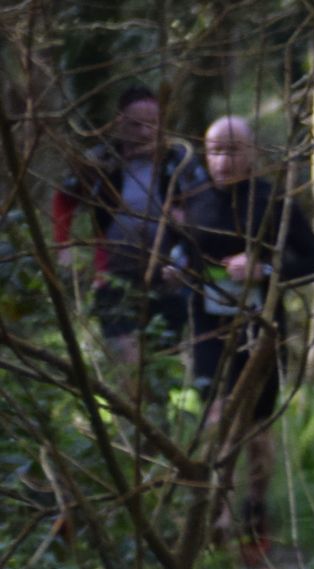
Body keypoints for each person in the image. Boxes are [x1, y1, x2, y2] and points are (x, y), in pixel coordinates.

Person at [177, 118, 314, 562]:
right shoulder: (192, 199)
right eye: (214, 151)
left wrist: (263, 269)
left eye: (233, 150)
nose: (223, 161)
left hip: (261, 331)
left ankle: (255, 511)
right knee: (217, 419)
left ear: (253, 153)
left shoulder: (273, 202)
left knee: (257, 430)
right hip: (209, 329)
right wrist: (173, 269)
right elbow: (179, 252)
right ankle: (217, 515)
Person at [49, 85, 205, 385]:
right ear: (119, 122)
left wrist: (188, 225)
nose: (145, 133)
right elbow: (63, 198)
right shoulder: (99, 161)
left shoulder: (179, 160)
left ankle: (156, 413)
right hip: (113, 276)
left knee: (161, 364)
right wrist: (64, 246)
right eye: (136, 125)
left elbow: (209, 204)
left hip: (169, 276)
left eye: (152, 125)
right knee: (127, 363)